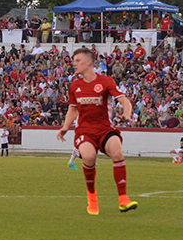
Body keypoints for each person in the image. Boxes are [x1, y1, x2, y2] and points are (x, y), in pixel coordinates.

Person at [56, 48, 138, 215]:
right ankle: (92, 197)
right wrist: (65, 126)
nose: (74, 63)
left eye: (78, 60)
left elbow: (124, 100)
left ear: (89, 62)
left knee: (117, 152)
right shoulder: (75, 86)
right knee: (89, 157)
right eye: (74, 60)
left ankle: (123, 199)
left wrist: (127, 113)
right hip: (84, 131)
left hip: (105, 129)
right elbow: (73, 110)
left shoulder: (106, 81)